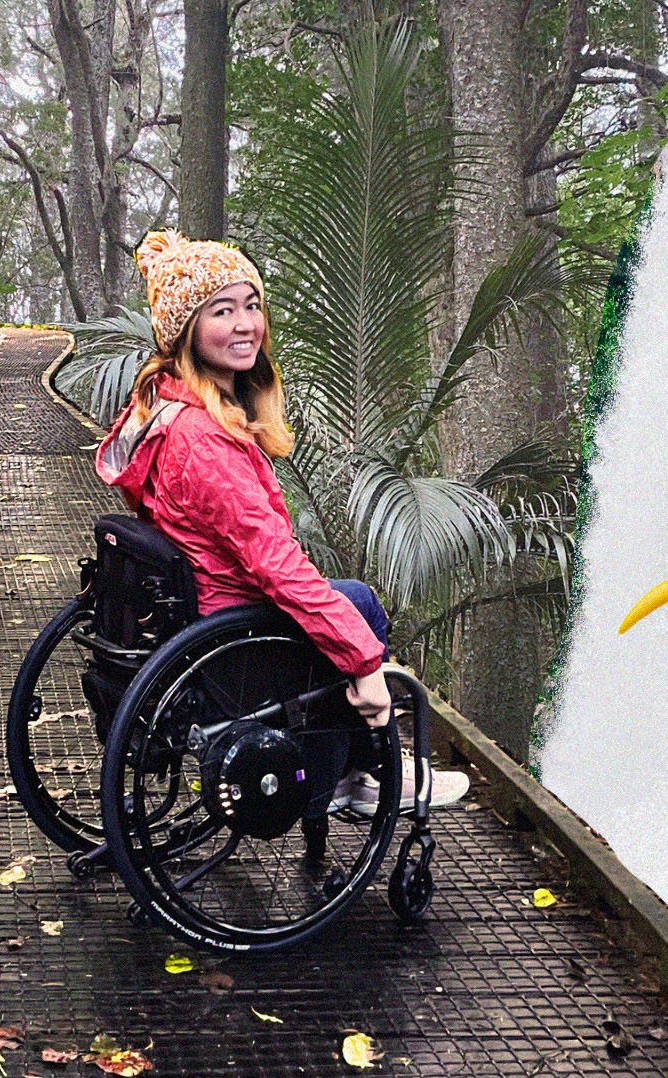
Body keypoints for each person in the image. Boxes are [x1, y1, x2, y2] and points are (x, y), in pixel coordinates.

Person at [93, 230, 466, 852]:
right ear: (184, 330)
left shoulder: (160, 406)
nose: (246, 325)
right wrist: (365, 667)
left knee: (345, 600)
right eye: (222, 311)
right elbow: (275, 567)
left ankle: (348, 768)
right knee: (359, 609)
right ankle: (365, 775)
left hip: (203, 610)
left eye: (251, 305)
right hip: (235, 640)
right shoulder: (204, 439)